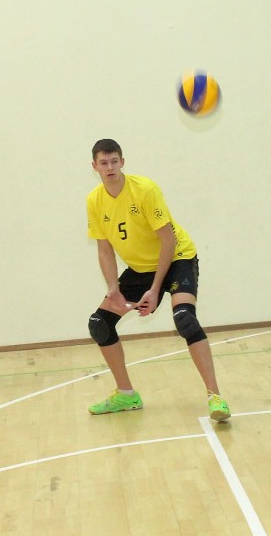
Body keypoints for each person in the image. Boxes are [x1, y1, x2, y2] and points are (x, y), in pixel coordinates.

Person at [84, 139, 230, 422]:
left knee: (185, 318)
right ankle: (126, 395)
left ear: (122, 162)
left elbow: (169, 240)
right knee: (99, 324)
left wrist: (155, 290)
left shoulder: (145, 190)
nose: (110, 167)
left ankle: (216, 397)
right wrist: (113, 289)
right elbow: (104, 249)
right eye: (104, 163)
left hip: (177, 257)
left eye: (114, 161)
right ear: (94, 166)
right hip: (141, 268)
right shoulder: (94, 200)